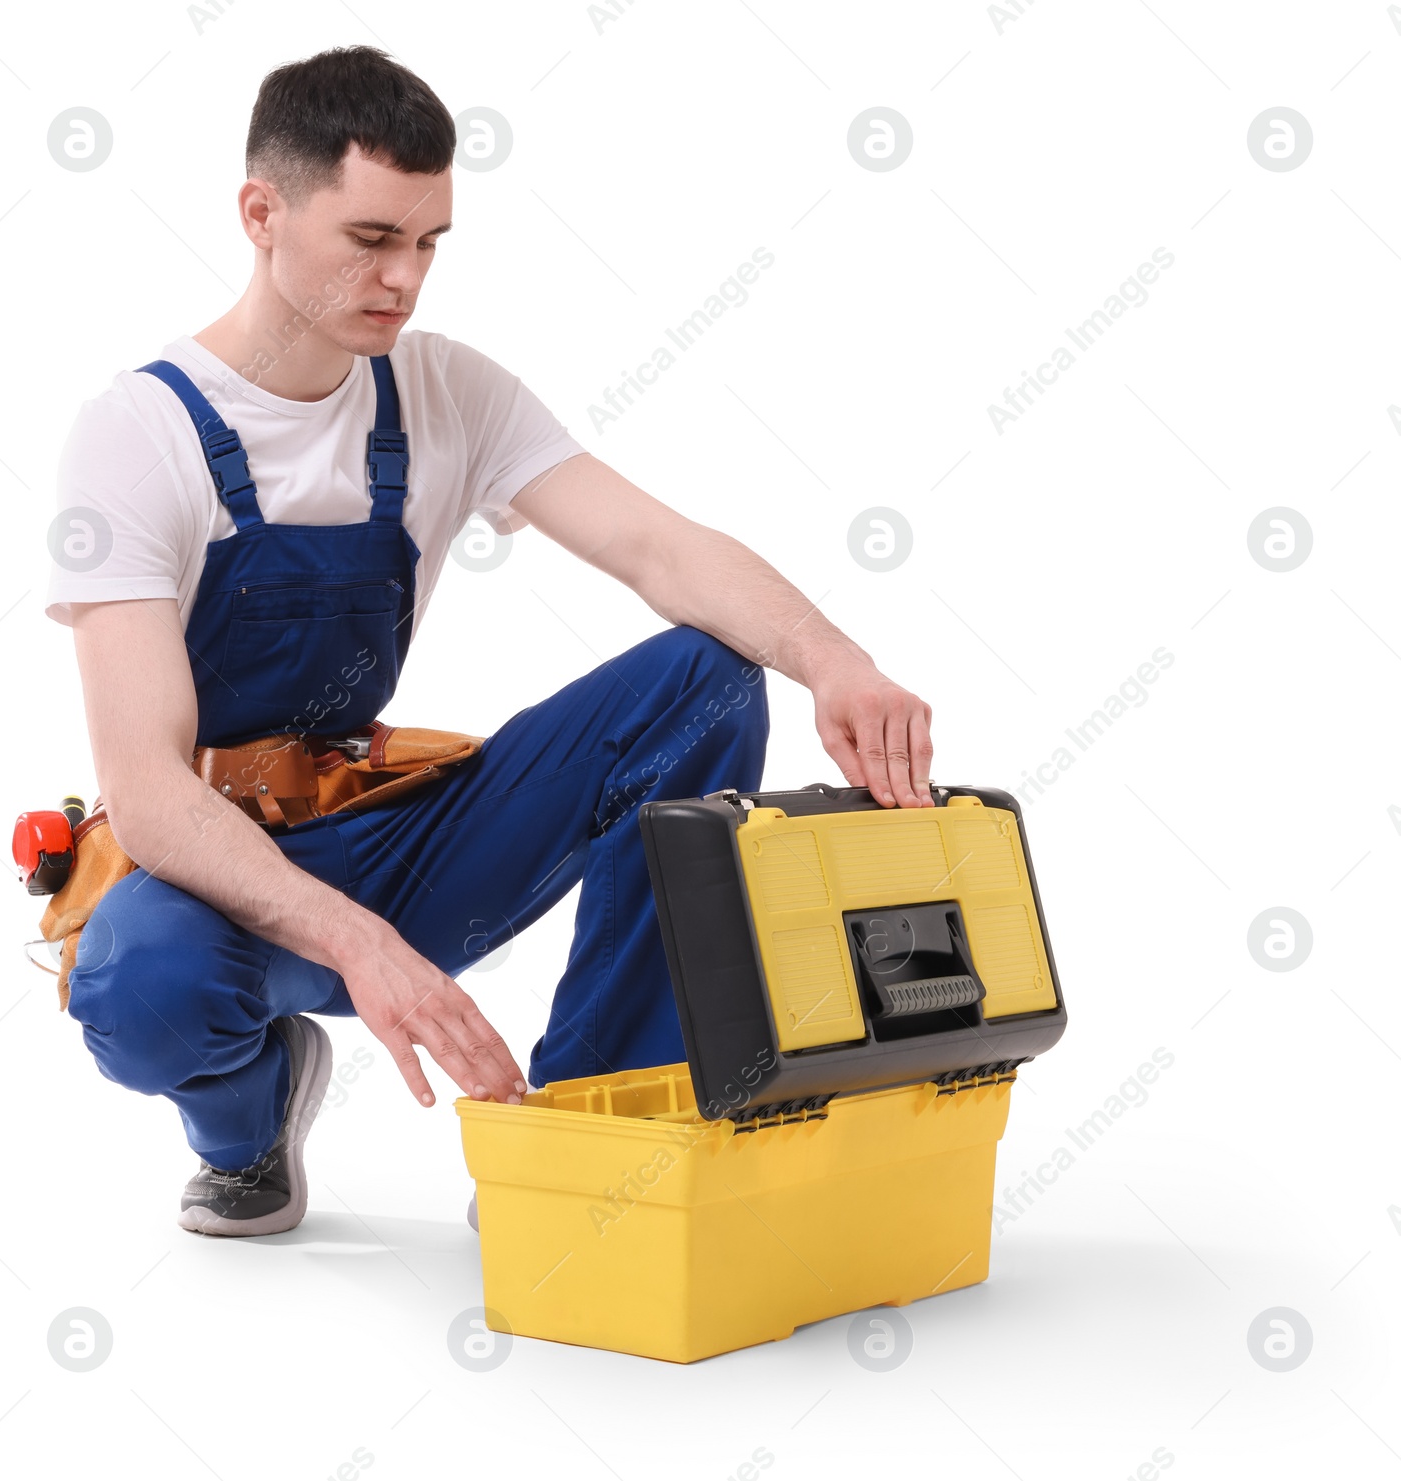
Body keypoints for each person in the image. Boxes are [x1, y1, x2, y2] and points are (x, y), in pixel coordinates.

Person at [46, 44, 935, 1239]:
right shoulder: (135, 435)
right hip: (220, 872)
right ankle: (250, 1121)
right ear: (261, 212)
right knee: (135, 981)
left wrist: (835, 659)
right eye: (370, 239)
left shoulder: (447, 394)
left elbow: (662, 551)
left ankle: (581, 1137)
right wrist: (362, 947)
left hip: (387, 833)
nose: (403, 278)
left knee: (706, 678)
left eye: (427, 243)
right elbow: (147, 792)